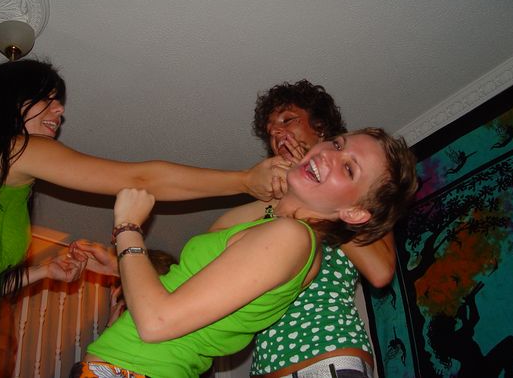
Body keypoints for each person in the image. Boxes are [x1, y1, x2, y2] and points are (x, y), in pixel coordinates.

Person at [0, 59, 285, 377]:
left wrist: (41, 272)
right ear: (9, 100)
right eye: (47, 98)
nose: (60, 110)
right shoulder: (11, 149)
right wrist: (244, 180)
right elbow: (141, 179)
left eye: (60, 102)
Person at [69, 127, 418, 378]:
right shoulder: (273, 224)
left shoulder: (291, 238)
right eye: (337, 143)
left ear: (354, 213)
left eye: (349, 168)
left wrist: (128, 227)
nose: (328, 153)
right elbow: (191, 277)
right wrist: (123, 263)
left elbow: (157, 322)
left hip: (137, 368)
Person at [243, 80, 402, 377]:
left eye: (287, 120)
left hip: (327, 355)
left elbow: (380, 270)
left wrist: (324, 202)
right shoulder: (275, 205)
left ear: (320, 127)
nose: (277, 131)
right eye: (271, 129)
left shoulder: (360, 195)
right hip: (265, 366)